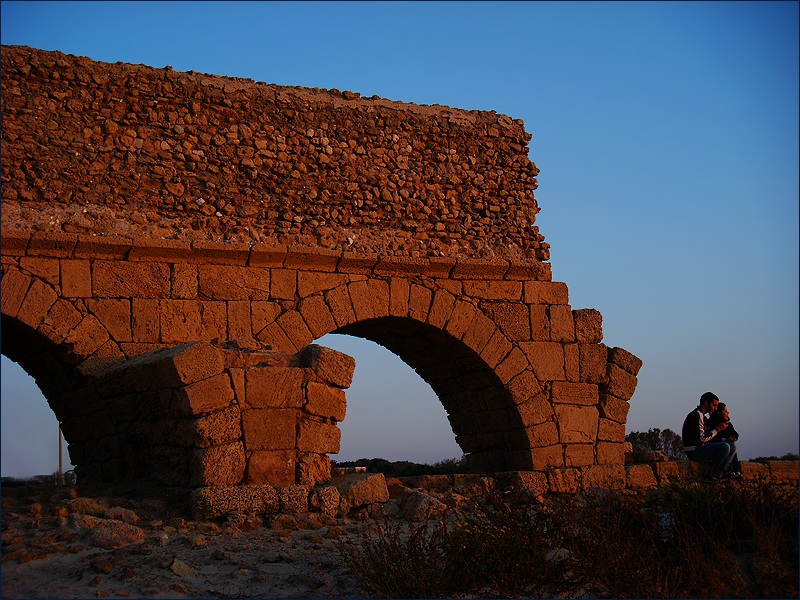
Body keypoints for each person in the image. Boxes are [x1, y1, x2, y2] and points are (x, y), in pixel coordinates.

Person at [681, 392, 738, 481]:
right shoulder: (697, 415)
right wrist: (718, 429)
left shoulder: (701, 416)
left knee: (731, 446)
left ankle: (721, 472)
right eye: (714, 405)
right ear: (706, 403)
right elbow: (703, 438)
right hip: (694, 451)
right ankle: (714, 474)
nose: (715, 408)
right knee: (725, 447)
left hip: (699, 448)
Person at [705, 402, 742, 478]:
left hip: (727, 445)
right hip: (717, 448)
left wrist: (734, 437)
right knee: (729, 446)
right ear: (719, 412)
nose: (727, 413)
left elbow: (735, 433)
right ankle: (721, 471)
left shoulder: (728, 424)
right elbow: (710, 438)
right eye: (725, 411)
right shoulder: (712, 423)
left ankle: (736, 470)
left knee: (731, 445)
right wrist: (725, 439)